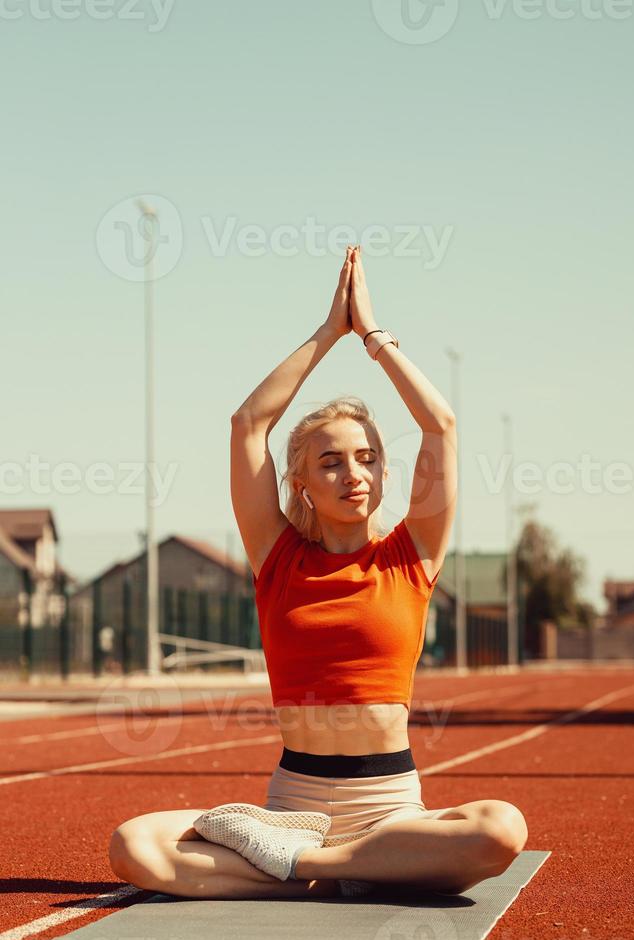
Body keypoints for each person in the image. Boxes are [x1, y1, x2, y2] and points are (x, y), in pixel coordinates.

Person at [109, 245, 528, 901]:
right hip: (291, 804)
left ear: (385, 472)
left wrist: (373, 339)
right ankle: (318, 857)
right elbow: (248, 424)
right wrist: (327, 332)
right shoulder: (278, 559)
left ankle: (312, 865)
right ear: (300, 482)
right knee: (133, 846)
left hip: (388, 805)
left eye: (366, 458)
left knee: (502, 830)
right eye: (330, 461)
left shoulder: (411, 555)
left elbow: (441, 425)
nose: (352, 474)